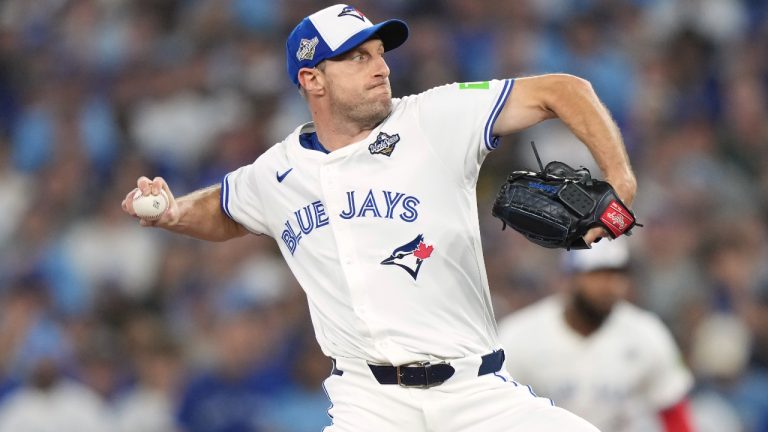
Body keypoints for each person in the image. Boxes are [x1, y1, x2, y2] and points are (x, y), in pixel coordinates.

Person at [122, 4, 637, 431]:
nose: (381, 66)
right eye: (358, 57)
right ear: (312, 79)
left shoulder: (433, 118)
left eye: (380, 53)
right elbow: (224, 209)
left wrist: (621, 179)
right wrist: (173, 212)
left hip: (476, 394)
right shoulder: (278, 170)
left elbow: (562, 90)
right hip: (370, 404)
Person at [498, 239, 694, 432]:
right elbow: (496, 412)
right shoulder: (518, 335)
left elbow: (672, 409)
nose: (610, 286)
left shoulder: (647, 332)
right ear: (569, 278)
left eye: (617, 274)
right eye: (597, 274)